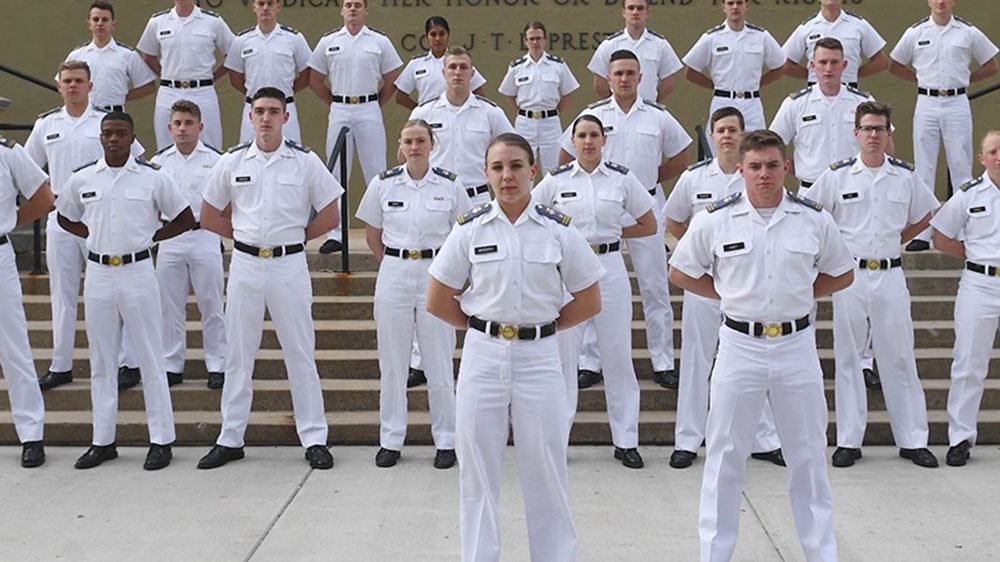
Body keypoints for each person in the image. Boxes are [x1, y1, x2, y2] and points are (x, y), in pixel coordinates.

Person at [669, 130, 853, 561]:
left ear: (786, 167)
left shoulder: (813, 218)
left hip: (796, 346)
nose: (764, 174)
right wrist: (729, 296)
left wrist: (802, 295)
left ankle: (821, 552)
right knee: (725, 456)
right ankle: (715, 554)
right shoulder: (715, 219)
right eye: (755, 166)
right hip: (739, 346)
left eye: (772, 165)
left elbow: (842, 273)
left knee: (807, 455)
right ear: (741, 170)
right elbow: (680, 271)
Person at [427, 132, 603, 562]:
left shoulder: (557, 229)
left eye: (516, 166)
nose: (508, 176)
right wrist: (481, 328)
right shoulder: (469, 229)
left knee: (545, 472)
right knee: (477, 475)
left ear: (533, 171)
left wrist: (544, 327)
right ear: (486, 174)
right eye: (499, 168)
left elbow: (589, 298)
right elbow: (437, 298)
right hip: (483, 356)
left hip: (540, 359)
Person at [197, 87, 341, 470]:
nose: (266, 118)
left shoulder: (304, 161)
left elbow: (331, 213)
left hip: (289, 266)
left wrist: (296, 239)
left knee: (300, 353)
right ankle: (231, 437)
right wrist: (244, 239)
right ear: (249, 116)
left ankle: (314, 438)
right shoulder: (231, 161)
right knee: (239, 355)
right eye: (259, 111)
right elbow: (209, 214)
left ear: (286, 117)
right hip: (245, 266)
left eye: (273, 111)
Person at [56, 111, 195, 471]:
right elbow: (64, 215)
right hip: (100, 274)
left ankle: (161, 440)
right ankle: (103, 441)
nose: (113, 139)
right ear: (100, 138)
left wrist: (154, 237)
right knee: (101, 361)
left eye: (120, 133)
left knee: (151, 358)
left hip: (138, 272)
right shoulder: (82, 177)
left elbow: (184, 216)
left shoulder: (152, 178)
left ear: (132, 138)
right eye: (107, 133)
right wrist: (92, 236)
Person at [804, 102, 940, 469]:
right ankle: (849, 439)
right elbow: (812, 216)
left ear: (888, 133)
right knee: (848, 358)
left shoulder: (905, 176)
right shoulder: (837, 177)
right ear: (856, 134)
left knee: (898, 357)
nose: (874, 136)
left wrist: (898, 237)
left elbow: (925, 214)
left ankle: (912, 439)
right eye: (868, 129)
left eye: (881, 129)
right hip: (850, 276)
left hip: (891, 275)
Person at [560, 49, 690, 392]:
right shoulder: (592, 116)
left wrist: (647, 181)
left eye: (631, 73)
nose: (624, 78)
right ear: (607, 77)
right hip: (600, 204)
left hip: (646, 200)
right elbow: (564, 155)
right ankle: (590, 362)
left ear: (641, 77)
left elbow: (682, 155)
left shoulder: (658, 116)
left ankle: (662, 361)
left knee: (655, 286)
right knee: (590, 281)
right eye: (618, 73)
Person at [663, 107, 783, 470]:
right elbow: (673, 218)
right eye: (721, 130)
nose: (727, 135)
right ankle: (688, 438)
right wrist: (697, 255)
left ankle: (763, 439)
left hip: (746, 286)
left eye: (733, 129)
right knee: (698, 360)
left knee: (756, 360)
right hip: (704, 284)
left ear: (743, 135)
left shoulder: (755, 175)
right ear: (712, 136)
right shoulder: (694, 178)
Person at [533, 115, 655, 468]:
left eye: (594, 136)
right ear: (572, 141)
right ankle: (558, 439)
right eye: (581, 136)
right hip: (568, 273)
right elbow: (534, 216)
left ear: (604, 140)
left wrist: (616, 235)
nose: (588, 142)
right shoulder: (555, 181)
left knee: (617, 354)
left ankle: (626, 439)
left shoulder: (621, 178)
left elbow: (648, 222)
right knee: (563, 359)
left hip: (609, 268)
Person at [356, 120, 471, 469]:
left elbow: (462, 236)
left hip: (437, 273)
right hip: (394, 271)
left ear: (432, 144)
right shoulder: (382, 183)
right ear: (401, 145)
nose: (415, 146)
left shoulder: (451, 185)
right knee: (392, 362)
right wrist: (394, 263)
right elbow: (372, 234)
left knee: (438, 361)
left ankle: (447, 440)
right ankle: (391, 438)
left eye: (421, 140)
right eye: (408, 141)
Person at [25, 60, 145, 393]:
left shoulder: (106, 122)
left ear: (91, 86)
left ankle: (126, 362)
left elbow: (136, 163)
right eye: (67, 81)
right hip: (62, 216)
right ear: (59, 86)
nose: (73, 86)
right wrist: (50, 199)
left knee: (113, 291)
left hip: (101, 218)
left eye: (79, 80)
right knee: (62, 294)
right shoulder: (47, 124)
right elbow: (29, 170)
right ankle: (61, 365)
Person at [889, 0, 998, 251]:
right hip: (926, 101)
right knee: (924, 167)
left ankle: (961, 228)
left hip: (957, 101)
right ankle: (923, 231)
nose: (941, 2)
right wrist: (918, 79)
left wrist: (965, 79)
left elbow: (992, 64)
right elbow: (895, 64)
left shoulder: (967, 32)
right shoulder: (916, 32)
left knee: (960, 166)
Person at [308, 0, 403, 254]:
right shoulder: (329, 41)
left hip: (369, 107)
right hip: (340, 109)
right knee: (337, 172)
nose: (353, 9)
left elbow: (394, 75)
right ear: (341, 10)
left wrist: (376, 103)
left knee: (376, 171)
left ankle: (385, 230)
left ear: (366, 10)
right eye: (348, 4)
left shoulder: (379, 41)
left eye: (358, 4)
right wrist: (335, 102)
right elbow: (314, 77)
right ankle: (336, 233)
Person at [931, 130, 1000, 467]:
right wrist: (974, 255)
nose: (999, 156)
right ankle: (960, 437)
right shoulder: (968, 195)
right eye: (993, 151)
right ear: (981, 158)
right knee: (969, 363)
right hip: (980, 285)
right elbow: (940, 236)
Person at [150, 100, 226, 390]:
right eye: (178, 124)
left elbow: (226, 201)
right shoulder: (159, 163)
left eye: (189, 123)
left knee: (211, 302)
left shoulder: (217, 161)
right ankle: (172, 363)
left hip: (204, 234)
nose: (183, 129)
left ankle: (217, 362)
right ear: (169, 128)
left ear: (200, 127)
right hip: (170, 237)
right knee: (169, 305)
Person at [0, 136, 54, 468]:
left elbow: (44, 196)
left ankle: (31, 434)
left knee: (13, 345)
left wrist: (11, 222)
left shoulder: (8, 153)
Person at [410, 46, 514, 208]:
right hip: (436, 197)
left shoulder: (490, 112)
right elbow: (406, 155)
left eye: (463, 67)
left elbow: (512, 149)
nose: (457, 72)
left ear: (472, 74)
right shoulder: (423, 113)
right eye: (452, 67)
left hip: (477, 197)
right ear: (443, 73)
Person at [770, 38, 878, 190]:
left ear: (844, 65)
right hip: (811, 189)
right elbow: (771, 144)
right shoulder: (795, 104)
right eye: (823, 62)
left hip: (854, 188)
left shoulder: (863, 102)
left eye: (834, 62)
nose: (828, 69)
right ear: (813, 66)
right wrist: (797, 166)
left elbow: (885, 142)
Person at [136, 0, 235, 151]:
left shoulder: (213, 21)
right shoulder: (158, 22)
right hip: (169, 92)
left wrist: (213, 76)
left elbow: (232, 53)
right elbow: (148, 55)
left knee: (210, 146)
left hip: (202, 92)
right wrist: (165, 75)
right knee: (166, 147)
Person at [682, 0, 786, 133]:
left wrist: (757, 84)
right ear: (723, 7)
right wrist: (715, 86)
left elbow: (779, 66)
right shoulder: (711, 38)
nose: (735, 7)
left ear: (747, 6)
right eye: (730, 3)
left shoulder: (761, 36)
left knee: (755, 147)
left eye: (739, 3)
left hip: (751, 104)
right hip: (722, 101)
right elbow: (690, 72)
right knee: (721, 146)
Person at [225, 0, 312, 144]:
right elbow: (235, 76)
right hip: (253, 107)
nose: (265, 8)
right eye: (261, 3)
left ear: (278, 7)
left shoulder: (294, 38)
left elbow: (306, 73)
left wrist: (284, 93)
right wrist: (258, 96)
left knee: (290, 155)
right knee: (248, 155)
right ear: (254, 7)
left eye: (270, 3)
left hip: (285, 107)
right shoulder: (242, 40)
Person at [499, 21, 579, 174]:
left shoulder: (558, 65)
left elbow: (568, 93)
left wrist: (554, 112)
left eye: (538, 38)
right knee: (522, 167)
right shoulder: (517, 67)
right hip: (525, 124)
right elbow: (509, 93)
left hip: (550, 123)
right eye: (531, 39)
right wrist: (522, 112)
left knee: (554, 169)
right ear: (525, 41)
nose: (535, 42)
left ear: (545, 40)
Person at [62, 1, 157, 112]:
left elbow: (148, 87)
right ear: (89, 24)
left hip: (114, 115)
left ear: (113, 24)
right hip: (85, 114)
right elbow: (62, 83)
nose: (100, 23)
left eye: (105, 19)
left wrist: (122, 97)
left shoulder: (127, 55)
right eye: (96, 19)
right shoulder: (77, 55)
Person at [587, 0, 681, 104]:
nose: (635, 12)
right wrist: (616, 103)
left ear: (647, 12)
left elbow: (669, 82)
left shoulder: (660, 44)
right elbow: (599, 83)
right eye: (631, 8)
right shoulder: (609, 45)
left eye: (640, 8)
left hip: (648, 111)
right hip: (617, 112)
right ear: (623, 12)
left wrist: (652, 104)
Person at [782, 0, 888, 87]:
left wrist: (852, 73)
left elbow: (881, 62)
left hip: (849, 88)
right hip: (815, 88)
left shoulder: (859, 25)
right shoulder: (807, 28)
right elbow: (785, 64)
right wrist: (816, 73)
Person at [394, 16, 487, 109]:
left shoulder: (459, 61)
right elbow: (400, 97)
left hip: (455, 117)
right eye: (433, 34)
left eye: (442, 34)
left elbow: (479, 95)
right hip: (428, 120)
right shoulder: (416, 64)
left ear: (448, 35)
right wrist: (420, 112)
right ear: (426, 37)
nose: (437, 38)